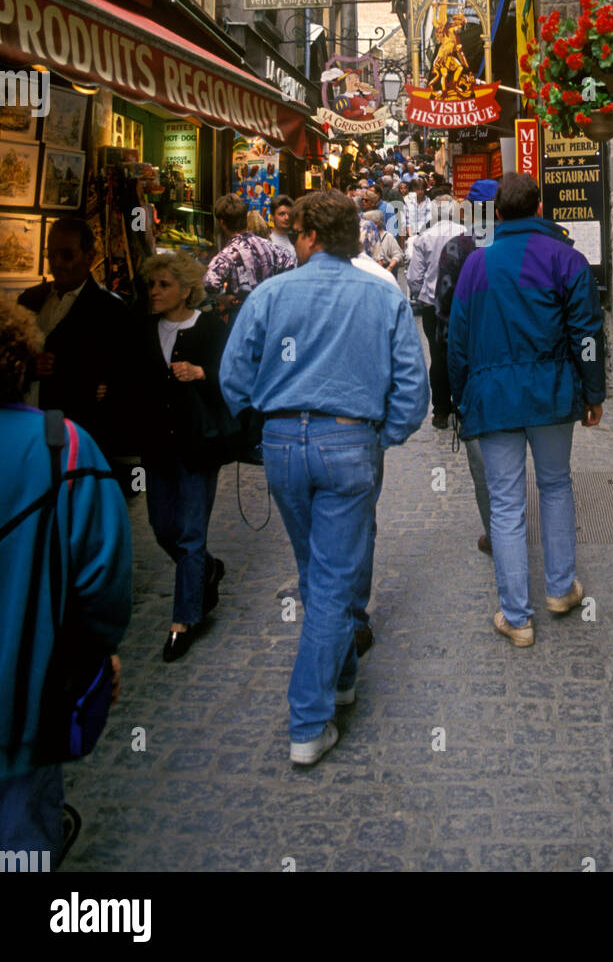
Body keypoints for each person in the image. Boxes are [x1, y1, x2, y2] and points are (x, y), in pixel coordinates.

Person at [219, 191, 429, 767]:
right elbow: (413, 390)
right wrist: (380, 438)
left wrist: (262, 427)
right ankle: (309, 721)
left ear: (308, 236)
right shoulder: (382, 297)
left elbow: (233, 376)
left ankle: (341, 682)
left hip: (285, 444)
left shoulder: (270, 294)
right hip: (348, 441)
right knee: (332, 579)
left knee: (318, 572)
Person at [447, 172, 605, 648]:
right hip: (551, 393)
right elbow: (588, 335)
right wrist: (593, 392)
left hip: (494, 399)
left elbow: (456, 341)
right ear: (539, 207)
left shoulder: (477, 266)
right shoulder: (567, 259)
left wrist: (459, 396)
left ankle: (517, 617)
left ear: (497, 213)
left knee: (507, 503)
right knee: (555, 485)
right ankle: (560, 589)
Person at [0, 300, 131, 868]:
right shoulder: (63, 445)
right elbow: (101, 575)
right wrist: (97, 652)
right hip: (22, 695)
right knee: (22, 837)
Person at [139, 252, 234, 662]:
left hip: (198, 444)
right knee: (164, 528)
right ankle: (206, 570)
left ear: (185, 289)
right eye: (151, 285)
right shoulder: (144, 329)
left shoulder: (210, 328)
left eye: (163, 285)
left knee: (191, 532)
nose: (154, 293)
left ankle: (184, 620)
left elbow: (231, 380)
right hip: (158, 444)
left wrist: (201, 374)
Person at [18, 218, 139, 491]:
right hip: (28, 430)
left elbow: (125, 380)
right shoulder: (29, 300)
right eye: (52, 254)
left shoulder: (111, 311)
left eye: (67, 255)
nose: (58, 263)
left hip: (79, 437)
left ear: (89, 257)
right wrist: (29, 367)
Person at [434, 179, 499, 553]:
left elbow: (445, 316)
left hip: (476, 370)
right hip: (521, 365)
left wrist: (453, 387)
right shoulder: (514, 246)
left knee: (486, 465)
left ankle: (496, 530)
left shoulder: (458, 249)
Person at [407, 195, 467, 428]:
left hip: (433, 307)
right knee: (462, 353)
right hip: (461, 305)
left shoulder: (424, 238)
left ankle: (440, 410)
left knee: (438, 356)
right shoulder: (465, 234)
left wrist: (424, 294)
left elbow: (413, 278)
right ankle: (462, 405)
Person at [204, 193, 295, 321]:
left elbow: (209, 282)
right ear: (245, 219)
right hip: (269, 314)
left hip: (242, 316)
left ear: (222, 223)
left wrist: (223, 297)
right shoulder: (269, 246)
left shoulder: (228, 253)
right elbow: (290, 263)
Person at [362, 209, 404, 281]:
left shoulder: (388, 237)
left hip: (386, 270)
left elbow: (398, 255)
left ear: (376, 224)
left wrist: (389, 268)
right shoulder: (365, 237)